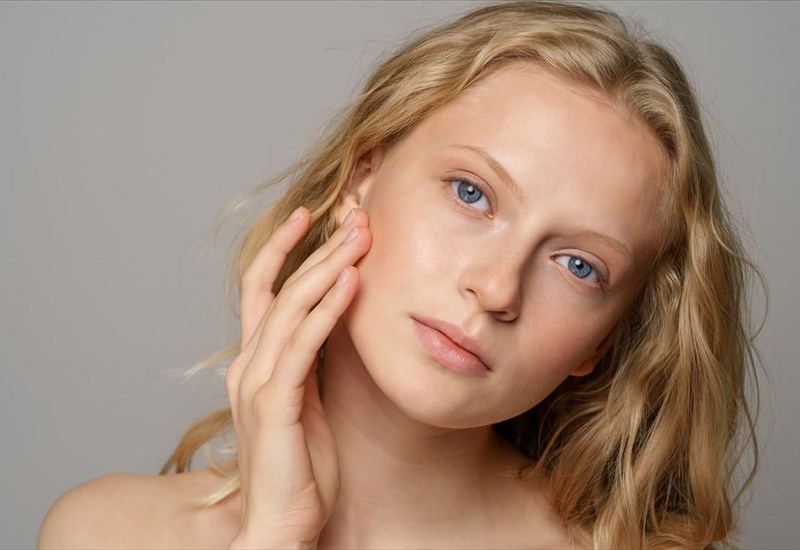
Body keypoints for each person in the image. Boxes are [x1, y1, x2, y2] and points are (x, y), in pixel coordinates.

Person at [37, 1, 764, 548]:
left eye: (578, 265)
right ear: (362, 178)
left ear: (600, 342)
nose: (497, 289)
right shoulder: (106, 533)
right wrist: (276, 536)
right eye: (471, 193)